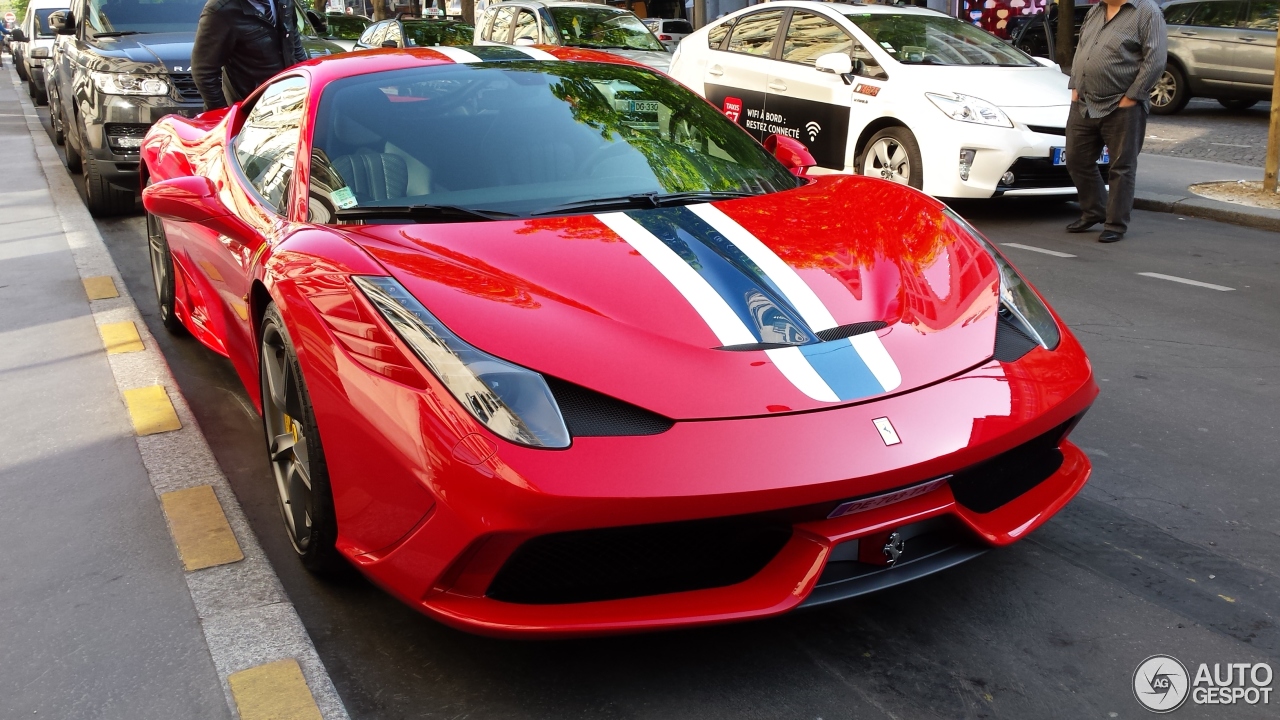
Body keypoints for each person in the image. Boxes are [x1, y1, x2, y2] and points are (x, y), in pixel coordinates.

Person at [1064, 0, 1166, 243]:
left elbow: (1156, 59)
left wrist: (1132, 97)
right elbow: (1083, 48)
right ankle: (1093, 210)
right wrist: (1075, 85)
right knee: (1076, 158)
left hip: (1122, 105)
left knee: (1121, 166)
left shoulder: (1147, 12)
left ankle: (1115, 224)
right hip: (1085, 102)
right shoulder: (1095, 10)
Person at [191, 0, 307, 112]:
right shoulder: (221, 10)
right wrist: (224, 115)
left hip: (290, 103)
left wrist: (307, 87)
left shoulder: (284, 2)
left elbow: (295, 44)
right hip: (249, 112)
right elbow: (203, 72)